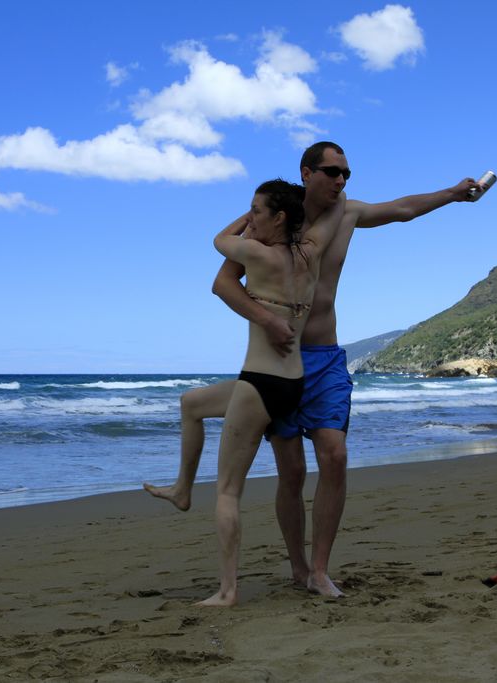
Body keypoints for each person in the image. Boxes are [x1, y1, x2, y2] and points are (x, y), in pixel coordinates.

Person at [146, 142, 479, 598]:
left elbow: (402, 209)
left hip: (324, 359)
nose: (341, 181)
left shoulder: (346, 215)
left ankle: (320, 569)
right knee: (291, 470)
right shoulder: (273, 219)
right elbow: (224, 282)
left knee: (335, 456)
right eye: (331, 172)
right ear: (306, 173)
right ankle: (298, 567)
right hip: (281, 361)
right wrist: (267, 319)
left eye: (346, 173)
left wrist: (453, 194)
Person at [196, 179, 344, 607]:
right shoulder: (310, 255)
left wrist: (244, 223)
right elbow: (328, 222)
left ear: (278, 217)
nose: (252, 217)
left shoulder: (257, 254)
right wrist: (327, 199)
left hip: (260, 380)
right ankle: (305, 570)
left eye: (257, 210)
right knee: (290, 472)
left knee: (227, 491)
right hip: (294, 381)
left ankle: (227, 591)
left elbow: (219, 241)